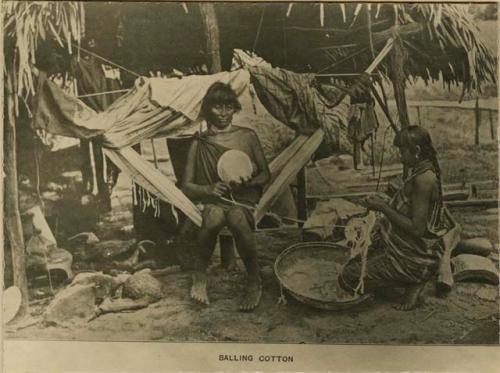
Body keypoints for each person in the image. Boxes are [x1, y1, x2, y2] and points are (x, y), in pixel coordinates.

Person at [339, 125, 450, 310]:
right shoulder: (421, 171)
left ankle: (413, 280)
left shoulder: (424, 180)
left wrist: (382, 207)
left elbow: (417, 229)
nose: (399, 155)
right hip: (409, 249)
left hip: (415, 257)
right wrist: (380, 203)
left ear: (416, 151)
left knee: (348, 275)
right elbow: (409, 208)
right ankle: (407, 276)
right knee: (354, 259)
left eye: (401, 150)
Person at [181, 82, 271, 311]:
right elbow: (187, 186)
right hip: (214, 199)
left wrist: (248, 182)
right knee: (212, 219)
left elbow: (265, 174)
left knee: (238, 220)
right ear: (208, 109)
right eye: (217, 107)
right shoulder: (199, 142)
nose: (223, 113)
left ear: (235, 108)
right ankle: (199, 278)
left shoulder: (247, 136)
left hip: (243, 198)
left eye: (228, 107)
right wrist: (208, 189)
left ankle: (254, 279)